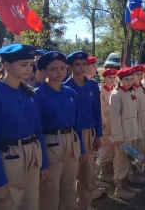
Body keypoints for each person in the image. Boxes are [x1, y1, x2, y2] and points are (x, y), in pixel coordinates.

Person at [0, 44, 48, 210]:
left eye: (31, 64)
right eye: (23, 64)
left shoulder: (29, 93)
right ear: (6, 65)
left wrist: (44, 163)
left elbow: (38, 131)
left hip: (32, 157)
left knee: (31, 204)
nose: (29, 69)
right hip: (8, 160)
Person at [36, 51, 86, 210]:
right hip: (50, 142)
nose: (59, 72)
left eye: (62, 68)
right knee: (50, 187)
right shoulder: (38, 95)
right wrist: (42, 160)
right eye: (53, 69)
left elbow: (77, 123)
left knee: (69, 184)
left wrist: (82, 149)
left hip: (71, 140)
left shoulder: (70, 93)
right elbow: (36, 128)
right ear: (43, 71)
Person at [64, 51, 103, 210]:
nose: (81, 67)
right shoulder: (65, 87)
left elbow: (97, 111)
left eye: (84, 64)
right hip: (72, 135)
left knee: (87, 172)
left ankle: (85, 204)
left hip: (89, 132)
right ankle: (72, 205)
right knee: (71, 173)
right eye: (77, 64)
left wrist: (98, 134)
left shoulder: (92, 85)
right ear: (70, 67)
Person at [109, 67, 144, 200]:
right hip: (123, 133)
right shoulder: (116, 94)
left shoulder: (131, 91)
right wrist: (118, 137)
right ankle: (119, 188)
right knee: (121, 161)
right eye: (126, 79)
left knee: (130, 159)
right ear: (120, 80)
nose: (129, 82)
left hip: (133, 130)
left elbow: (135, 114)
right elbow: (115, 118)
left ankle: (127, 183)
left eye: (131, 79)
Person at [97, 68, 118, 183]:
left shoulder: (114, 90)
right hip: (105, 123)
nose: (112, 80)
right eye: (109, 77)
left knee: (113, 147)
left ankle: (111, 169)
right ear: (104, 79)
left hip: (113, 123)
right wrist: (101, 121)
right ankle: (104, 172)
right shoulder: (101, 91)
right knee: (105, 147)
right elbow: (100, 108)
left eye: (114, 77)